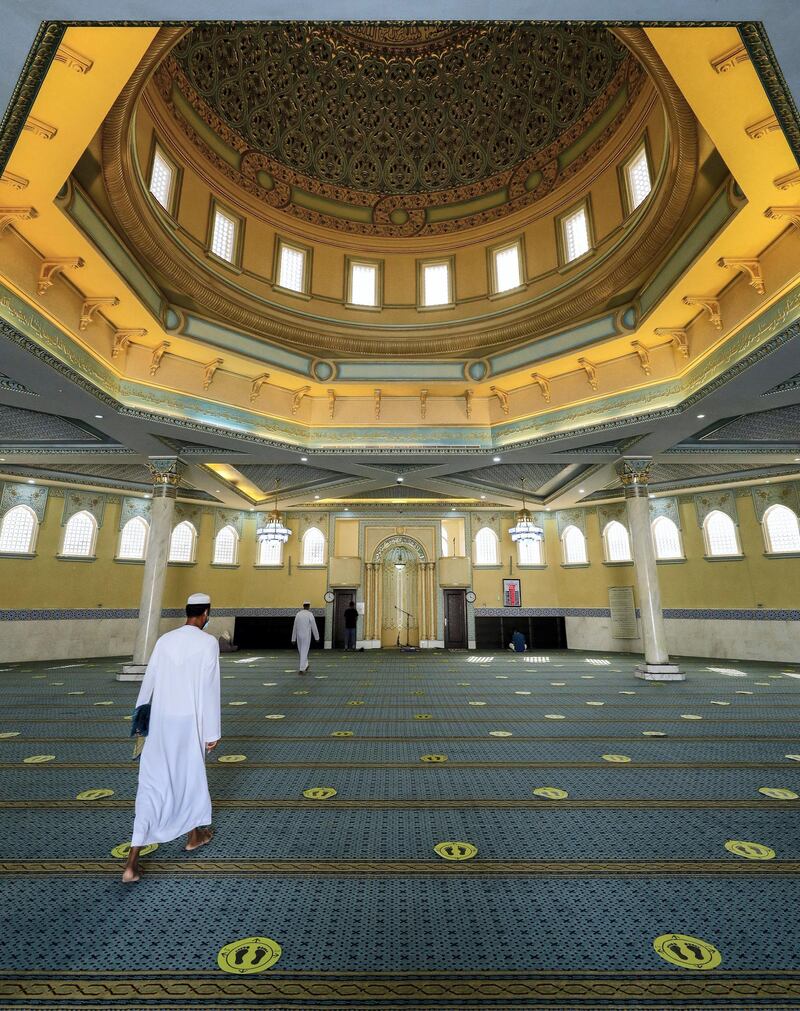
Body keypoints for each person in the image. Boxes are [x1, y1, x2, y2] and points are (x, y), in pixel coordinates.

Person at [122, 593, 221, 883]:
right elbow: (209, 688)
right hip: (190, 724)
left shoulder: (165, 641)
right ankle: (194, 835)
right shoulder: (208, 642)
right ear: (205, 614)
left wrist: (141, 722)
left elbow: (149, 681)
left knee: (152, 785)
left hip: (161, 724)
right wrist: (212, 733)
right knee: (189, 778)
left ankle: (132, 861)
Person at [291, 601, 319, 674]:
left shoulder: (298, 614)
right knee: (304, 651)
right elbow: (314, 626)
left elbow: (295, 626)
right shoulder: (310, 614)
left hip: (298, 635)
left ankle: (305, 665)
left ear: (303, 606)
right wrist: (317, 637)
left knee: (302, 651)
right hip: (306, 636)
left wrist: (293, 638)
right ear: (308, 606)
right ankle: (302, 669)